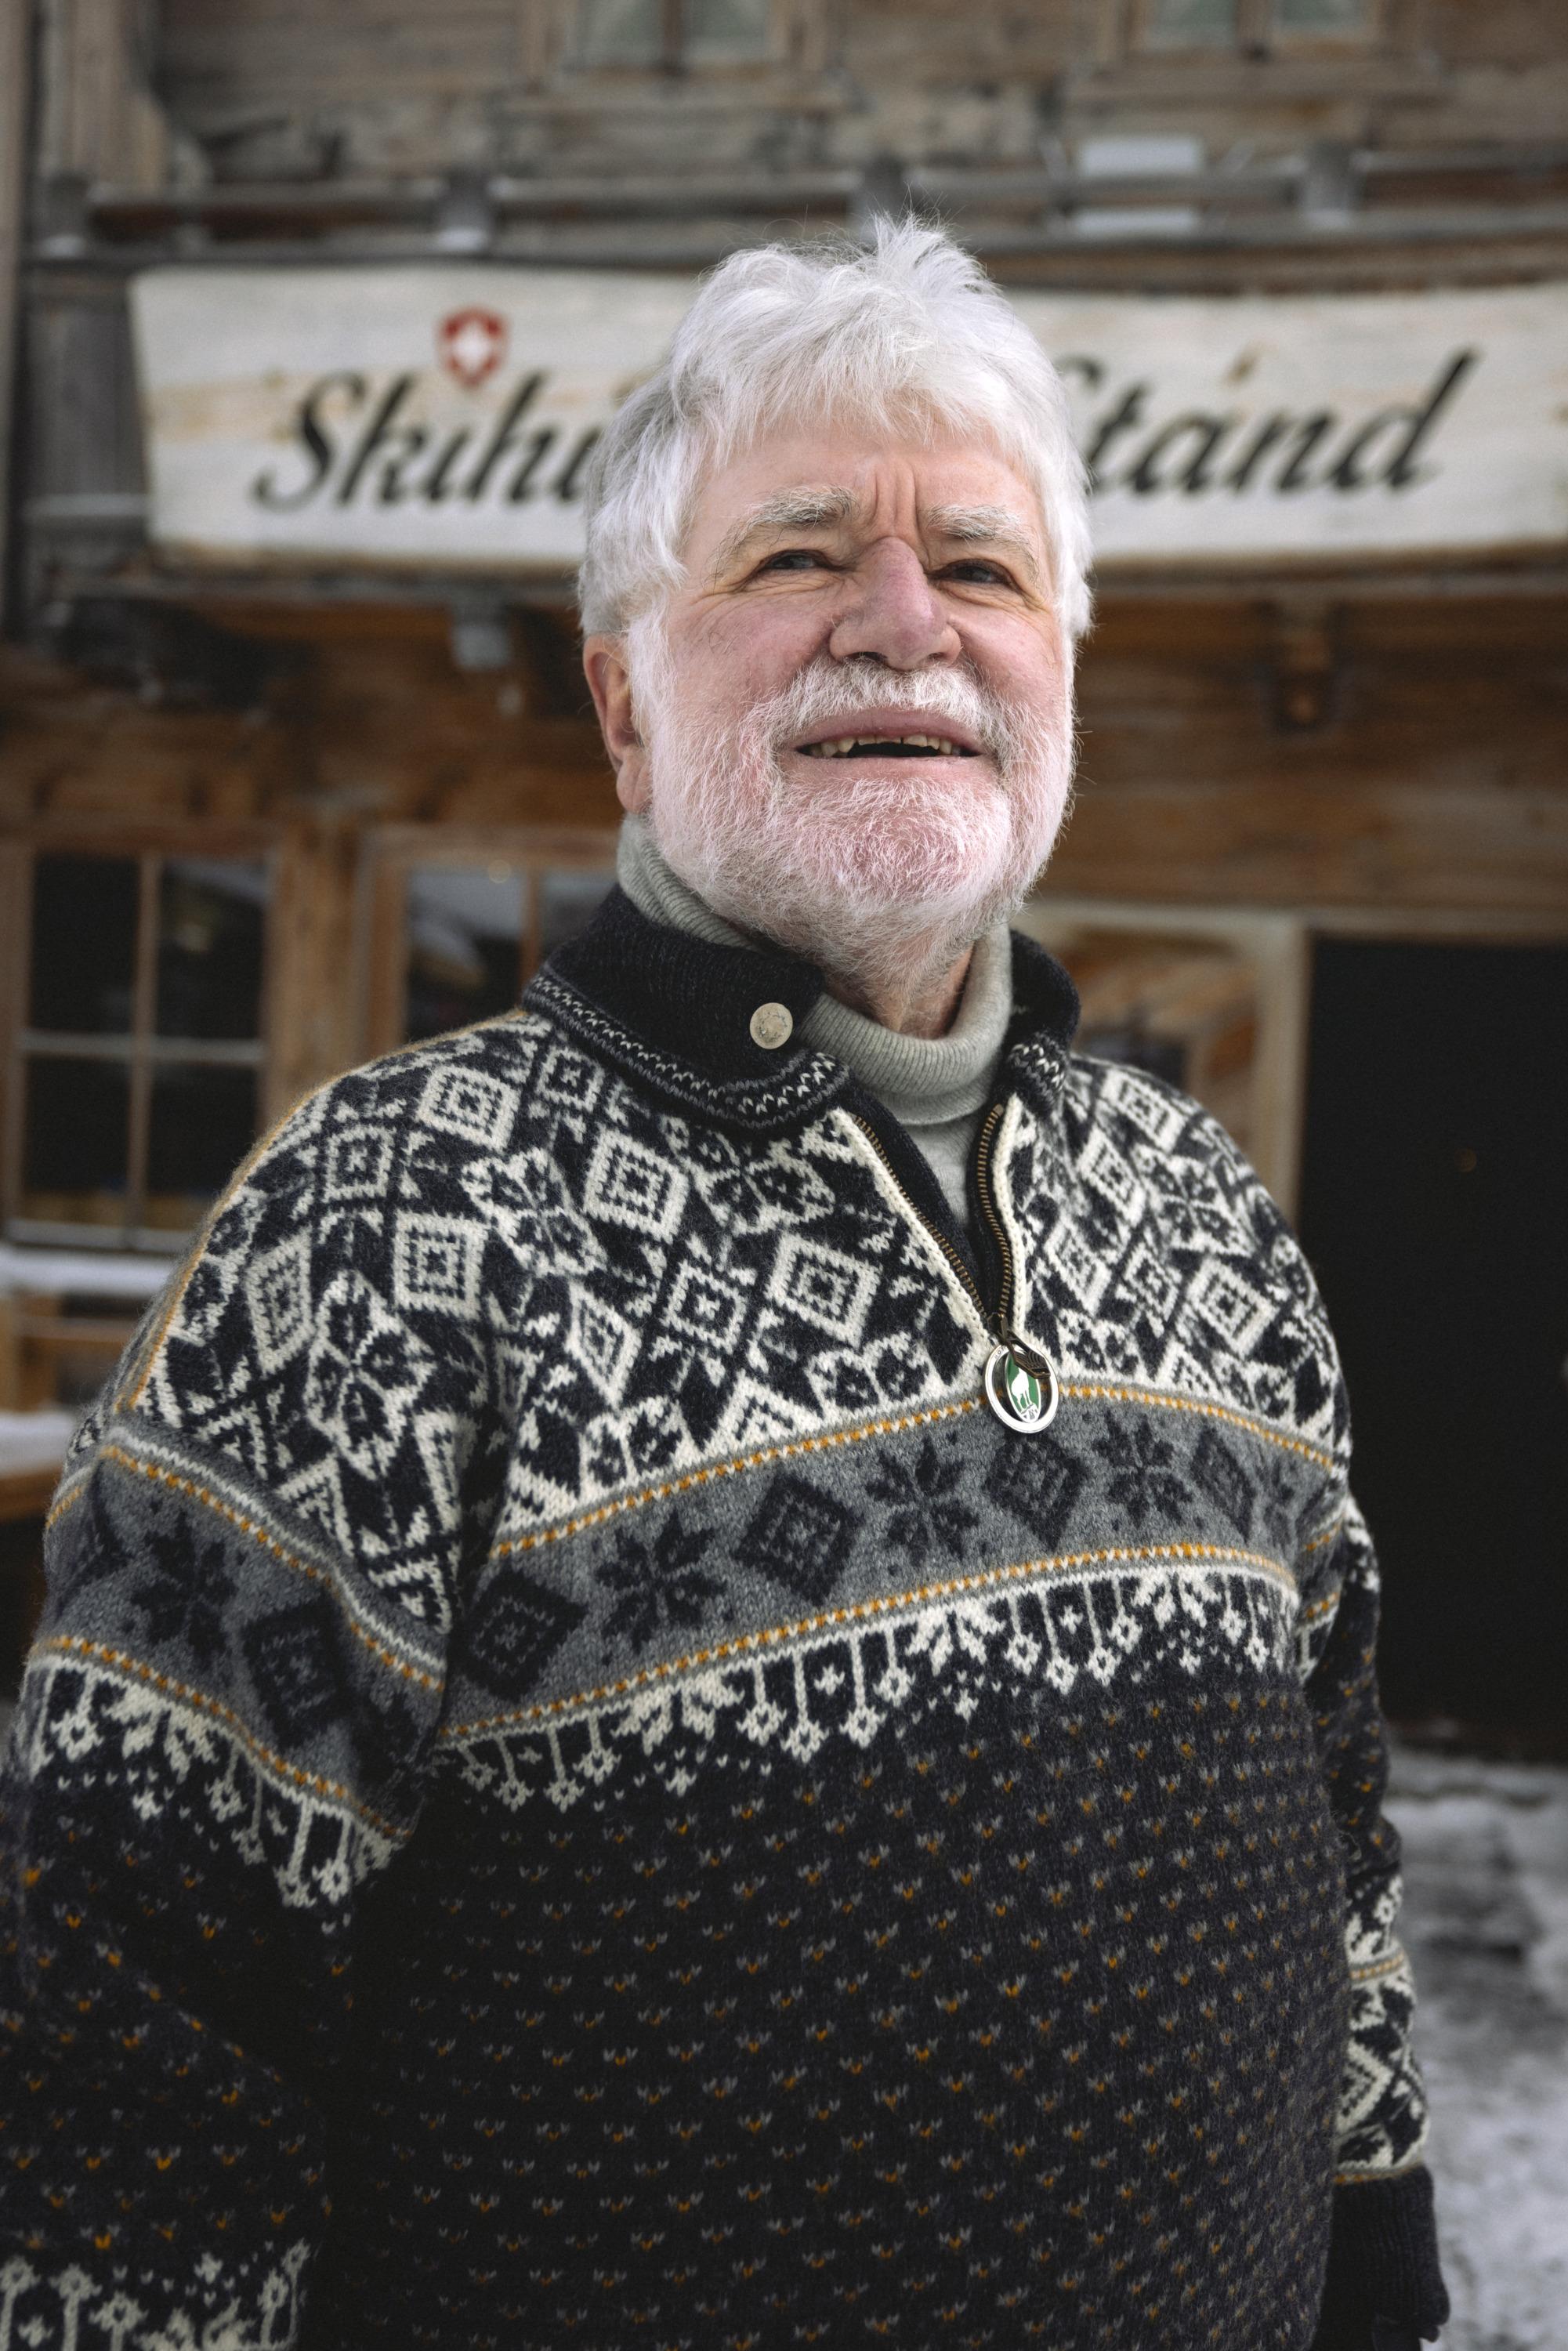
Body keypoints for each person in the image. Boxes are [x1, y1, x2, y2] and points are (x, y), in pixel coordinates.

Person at [0, 223, 1447, 2351]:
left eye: (980, 566)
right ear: (622, 699)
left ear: (1061, 669)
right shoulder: (381, 1226)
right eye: (797, 555)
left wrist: (1380, 2256)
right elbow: (126, 2032)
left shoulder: (1198, 1208)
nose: (904, 622)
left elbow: (1336, 1820)